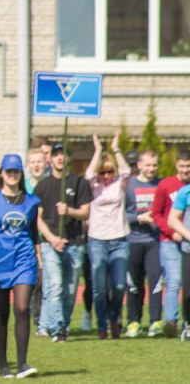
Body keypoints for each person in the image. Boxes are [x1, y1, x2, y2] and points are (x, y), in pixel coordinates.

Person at [0, 154, 40, 379]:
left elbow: (34, 235)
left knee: (22, 308)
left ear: (21, 174)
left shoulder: (32, 202)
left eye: (16, 171)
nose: (12, 175)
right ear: (1, 173)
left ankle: (22, 364)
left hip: (24, 260)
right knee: (1, 314)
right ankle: (4, 365)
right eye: (8, 171)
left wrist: (39, 264)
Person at [34, 143, 92, 342]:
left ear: (68, 158)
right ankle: (58, 329)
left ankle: (60, 325)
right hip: (50, 244)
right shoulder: (42, 186)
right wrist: (51, 238)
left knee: (69, 289)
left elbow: (85, 213)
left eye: (63, 154)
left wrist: (69, 211)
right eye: (56, 154)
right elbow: (37, 217)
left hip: (74, 242)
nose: (60, 158)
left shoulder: (79, 183)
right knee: (55, 285)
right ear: (50, 159)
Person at [85, 133, 130, 339]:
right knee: (99, 288)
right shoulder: (94, 187)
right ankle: (102, 324)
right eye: (102, 173)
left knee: (120, 285)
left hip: (119, 240)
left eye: (109, 172)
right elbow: (88, 174)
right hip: (97, 240)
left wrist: (116, 148)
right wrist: (98, 151)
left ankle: (115, 317)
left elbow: (126, 171)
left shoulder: (119, 186)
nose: (105, 176)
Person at [151, 149, 190, 337]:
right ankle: (171, 323)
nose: (185, 170)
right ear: (176, 166)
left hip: (187, 242)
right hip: (170, 240)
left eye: (188, 167)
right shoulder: (166, 185)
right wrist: (171, 232)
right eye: (182, 166)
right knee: (174, 281)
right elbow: (156, 214)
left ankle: (187, 322)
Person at [125, 150, 163, 338]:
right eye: (147, 165)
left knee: (155, 280)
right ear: (139, 165)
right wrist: (138, 218)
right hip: (132, 240)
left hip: (154, 241)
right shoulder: (129, 186)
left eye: (154, 165)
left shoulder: (160, 184)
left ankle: (155, 321)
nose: (151, 169)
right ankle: (133, 321)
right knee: (133, 283)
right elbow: (120, 214)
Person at [24, 148, 46, 333]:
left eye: (40, 161)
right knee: (33, 281)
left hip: (47, 238)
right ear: (28, 165)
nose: (37, 165)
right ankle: (33, 315)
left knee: (48, 281)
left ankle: (42, 319)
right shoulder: (23, 187)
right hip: (30, 240)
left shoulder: (50, 184)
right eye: (33, 162)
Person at [166, 179, 190, 342]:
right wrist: (188, 236)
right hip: (189, 249)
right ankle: (188, 325)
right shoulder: (185, 192)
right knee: (188, 293)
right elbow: (172, 219)